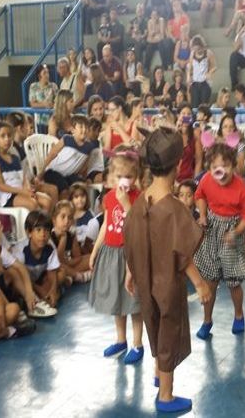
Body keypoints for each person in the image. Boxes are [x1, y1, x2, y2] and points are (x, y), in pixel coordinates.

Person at [123, 126, 210, 413]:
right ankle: (166, 397)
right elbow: (182, 256)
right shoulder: (174, 209)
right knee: (169, 332)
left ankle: (159, 376)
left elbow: (131, 243)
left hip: (146, 281)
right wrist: (199, 283)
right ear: (176, 165)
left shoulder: (139, 203)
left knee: (153, 325)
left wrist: (130, 273)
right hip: (167, 284)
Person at [88, 148, 144, 364]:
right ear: (111, 177)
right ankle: (121, 340)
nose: (124, 181)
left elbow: (138, 225)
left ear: (135, 178)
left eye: (129, 176)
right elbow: (106, 225)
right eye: (119, 176)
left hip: (130, 254)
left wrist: (126, 203)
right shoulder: (110, 197)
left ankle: (137, 344)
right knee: (116, 299)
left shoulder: (138, 198)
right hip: (111, 253)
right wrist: (95, 251)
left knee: (133, 302)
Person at [194, 143, 245, 340]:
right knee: (209, 280)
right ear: (210, 169)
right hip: (212, 228)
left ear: (234, 165)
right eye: (215, 168)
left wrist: (235, 232)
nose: (221, 171)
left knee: (233, 281)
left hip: (232, 232)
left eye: (226, 165)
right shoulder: (206, 180)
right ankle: (206, 320)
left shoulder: (241, 188)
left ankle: (239, 315)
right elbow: (200, 196)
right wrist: (203, 215)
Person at [0, 121, 53, 212]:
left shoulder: (15, 158)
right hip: (8, 196)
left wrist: (28, 189)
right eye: (3, 136)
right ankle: (33, 225)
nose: (7, 139)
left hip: (22, 191)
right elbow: (1, 186)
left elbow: (23, 178)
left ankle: (45, 225)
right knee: (32, 204)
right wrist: (22, 191)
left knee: (47, 201)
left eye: (9, 136)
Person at [12, 211, 62, 308]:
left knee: (61, 274)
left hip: (40, 280)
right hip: (25, 283)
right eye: (38, 230)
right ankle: (33, 299)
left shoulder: (50, 247)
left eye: (46, 230)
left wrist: (53, 290)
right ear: (29, 232)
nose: (43, 235)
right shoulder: (20, 250)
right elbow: (19, 276)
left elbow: (52, 271)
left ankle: (47, 296)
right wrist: (40, 290)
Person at [41, 114, 99, 195]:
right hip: (53, 172)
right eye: (81, 127)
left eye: (86, 127)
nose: (84, 129)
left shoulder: (89, 147)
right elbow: (51, 154)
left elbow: (83, 167)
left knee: (82, 187)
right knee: (64, 189)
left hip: (69, 175)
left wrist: (84, 178)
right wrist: (41, 173)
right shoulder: (67, 139)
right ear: (73, 130)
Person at [51, 201, 91, 284]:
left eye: (69, 218)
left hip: (69, 265)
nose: (66, 221)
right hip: (57, 268)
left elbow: (78, 257)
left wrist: (69, 263)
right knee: (60, 268)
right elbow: (58, 260)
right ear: (54, 220)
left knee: (92, 257)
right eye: (63, 217)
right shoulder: (50, 236)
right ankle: (79, 276)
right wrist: (63, 239)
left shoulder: (71, 234)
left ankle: (70, 276)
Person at [187, 35, 216, 108]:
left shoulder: (208, 53)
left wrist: (209, 73)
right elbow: (190, 67)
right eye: (195, 49)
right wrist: (188, 76)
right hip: (195, 82)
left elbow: (214, 66)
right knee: (194, 105)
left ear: (202, 46)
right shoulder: (192, 54)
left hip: (205, 82)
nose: (198, 51)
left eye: (199, 49)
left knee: (204, 105)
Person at [29, 64, 58, 135]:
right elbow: (32, 103)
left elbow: (58, 101)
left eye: (48, 72)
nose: (47, 75)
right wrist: (44, 104)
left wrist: (52, 105)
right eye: (44, 73)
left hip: (52, 120)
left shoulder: (53, 86)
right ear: (39, 75)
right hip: (39, 120)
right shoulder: (34, 86)